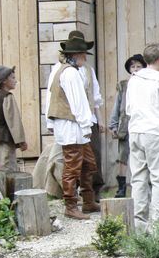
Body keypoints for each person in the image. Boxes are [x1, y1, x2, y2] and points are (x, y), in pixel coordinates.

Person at [44, 33, 98, 220]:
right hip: (71, 126)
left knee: (88, 164)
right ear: (76, 55)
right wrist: (86, 125)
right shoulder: (69, 73)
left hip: (75, 126)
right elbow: (78, 103)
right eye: (83, 54)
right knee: (72, 165)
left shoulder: (67, 71)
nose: (85, 57)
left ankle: (88, 200)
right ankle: (71, 205)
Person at [126, 42, 159, 230]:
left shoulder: (134, 79)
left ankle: (139, 224)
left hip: (136, 131)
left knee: (138, 178)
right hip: (156, 131)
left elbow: (129, 108)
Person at [108, 54, 147, 198]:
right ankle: (121, 188)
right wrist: (113, 124)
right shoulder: (124, 85)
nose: (135, 69)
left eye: (138, 66)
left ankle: (143, 188)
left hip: (142, 125)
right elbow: (117, 106)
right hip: (126, 125)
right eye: (133, 66)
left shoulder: (147, 84)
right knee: (123, 157)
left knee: (143, 157)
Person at [0, 65, 27, 173]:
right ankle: (7, 189)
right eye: (12, 78)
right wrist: (21, 140)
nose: (15, 81)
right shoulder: (7, 97)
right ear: (4, 81)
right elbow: (14, 121)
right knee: (7, 166)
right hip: (6, 137)